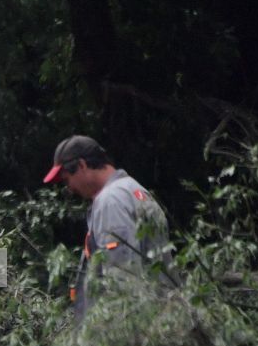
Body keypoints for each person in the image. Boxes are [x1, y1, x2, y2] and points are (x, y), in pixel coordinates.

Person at [41, 135, 172, 318]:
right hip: (161, 316)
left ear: (81, 165)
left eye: (67, 179)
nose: (69, 188)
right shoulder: (134, 190)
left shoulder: (111, 201)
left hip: (136, 328)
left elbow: (122, 277)